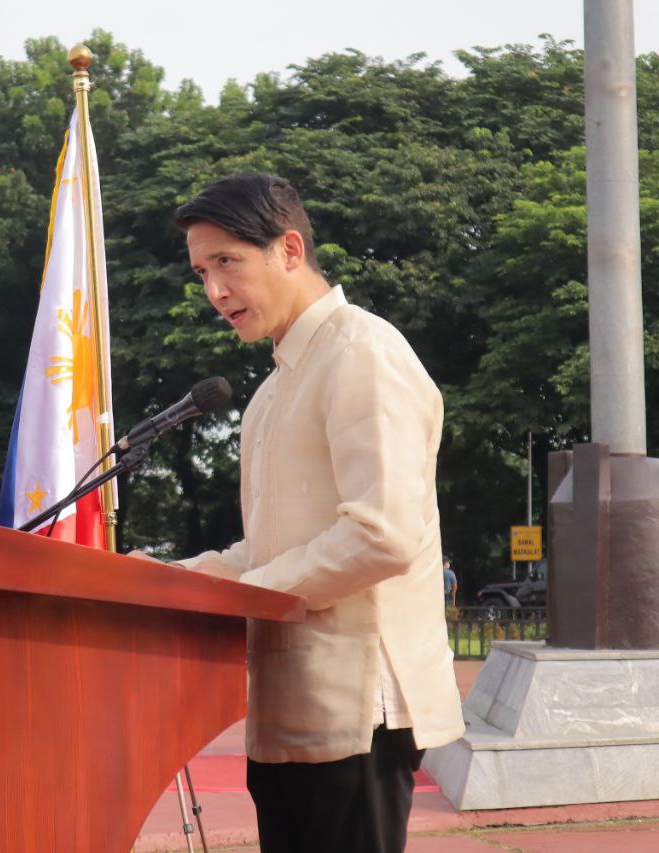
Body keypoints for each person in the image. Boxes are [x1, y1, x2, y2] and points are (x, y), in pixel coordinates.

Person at [160, 174, 465, 852]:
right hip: (287, 710)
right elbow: (269, 548)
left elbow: (382, 534)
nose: (215, 291)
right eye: (203, 272)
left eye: (228, 262)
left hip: (356, 711)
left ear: (290, 249)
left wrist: (240, 595)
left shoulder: (363, 352)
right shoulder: (272, 392)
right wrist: (168, 581)